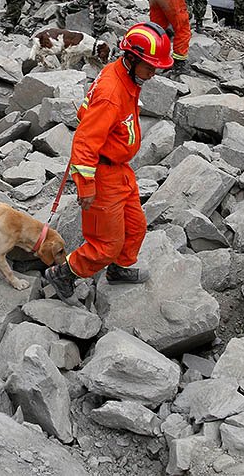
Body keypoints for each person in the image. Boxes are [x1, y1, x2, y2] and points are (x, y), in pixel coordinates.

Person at [42, 22, 175, 302]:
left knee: (135, 225)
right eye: (150, 67)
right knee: (106, 243)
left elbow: (86, 114)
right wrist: (86, 185)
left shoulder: (123, 75)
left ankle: (118, 268)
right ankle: (64, 273)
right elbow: (85, 141)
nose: (153, 74)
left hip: (119, 169)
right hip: (103, 174)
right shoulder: (112, 94)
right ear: (131, 58)